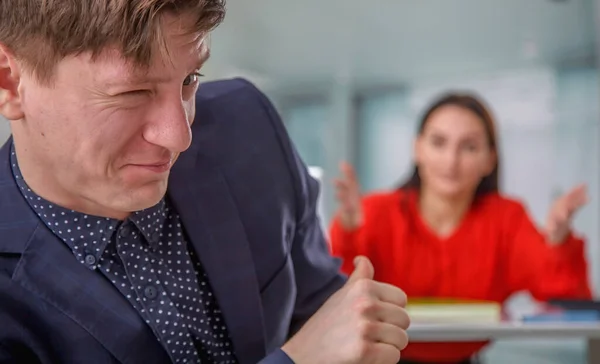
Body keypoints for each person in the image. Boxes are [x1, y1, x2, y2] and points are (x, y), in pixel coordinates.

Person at [0, 1, 411, 363]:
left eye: (190, 79)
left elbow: (321, 306)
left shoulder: (248, 126)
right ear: (10, 82)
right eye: (132, 92)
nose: (179, 137)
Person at [330, 93, 592, 364]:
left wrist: (558, 242)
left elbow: (567, 299)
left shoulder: (506, 218)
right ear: (417, 149)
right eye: (438, 142)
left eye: (469, 147)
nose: (451, 161)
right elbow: (336, 297)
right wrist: (348, 233)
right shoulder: (374, 212)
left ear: (489, 159)